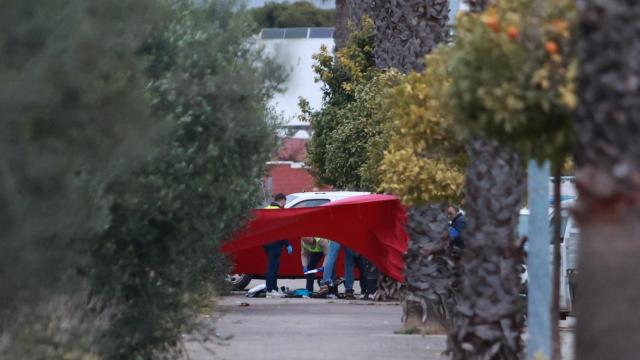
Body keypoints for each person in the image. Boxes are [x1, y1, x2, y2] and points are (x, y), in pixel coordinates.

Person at [263, 193, 293, 298]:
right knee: (272, 268)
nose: (285, 204)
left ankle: (274, 288)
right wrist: (288, 244)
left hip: (267, 243)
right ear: (281, 200)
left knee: (274, 267)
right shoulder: (279, 211)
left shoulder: (266, 209)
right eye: (285, 202)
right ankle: (270, 290)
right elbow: (281, 230)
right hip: (275, 243)